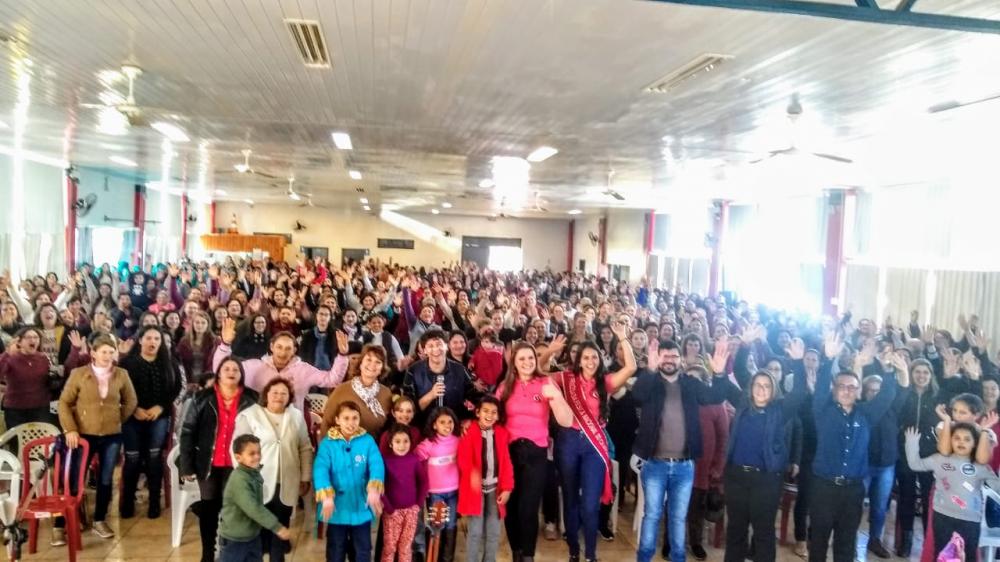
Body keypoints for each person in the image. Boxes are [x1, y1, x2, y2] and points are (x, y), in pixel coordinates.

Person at [633, 340, 731, 562]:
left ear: (681, 359)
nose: (669, 360)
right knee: (652, 515)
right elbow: (637, 396)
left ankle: (678, 558)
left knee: (678, 518)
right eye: (665, 356)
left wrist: (719, 374)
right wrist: (649, 370)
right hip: (654, 464)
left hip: (684, 466)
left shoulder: (690, 384)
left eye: (674, 356)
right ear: (659, 358)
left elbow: (715, 397)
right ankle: (643, 558)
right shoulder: (651, 382)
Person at [714, 340, 810, 562]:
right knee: (736, 531)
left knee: (764, 533)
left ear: (773, 390)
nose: (761, 389)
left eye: (767, 386)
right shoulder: (742, 403)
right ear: (751, 387)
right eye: (758, 384)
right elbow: (735, 373)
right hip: (736, 477)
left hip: (766, 481)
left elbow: (799, 391)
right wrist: (743, 348)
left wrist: (798, 362)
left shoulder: (780, 410)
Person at [808, 335, 899, 562]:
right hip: (823, 487)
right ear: (835, 390)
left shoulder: (866, 414)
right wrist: (829, 359)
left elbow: (887, 395)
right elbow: (820, 388)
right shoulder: (823, 411)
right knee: (818, 542)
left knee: (846, 545)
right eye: (842, 386)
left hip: (853, 491)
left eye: (852, 387)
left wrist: (887, 370)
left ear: (858, 391)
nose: (847, 391)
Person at [554, 320, 636, 562]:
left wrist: (623, 337)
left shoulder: (606, 382)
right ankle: (573, 552)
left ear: (599, 360)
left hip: (594, 447)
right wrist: (549, 352)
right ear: (578, 361)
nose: (590, 361)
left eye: (594, 357)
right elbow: (540, 375)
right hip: (568, 443)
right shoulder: (566, 379)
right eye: (586, 358)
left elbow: (631, 367)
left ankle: (590, 554)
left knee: (590, 504)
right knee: (570, 500)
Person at [496, 342, 573, 562]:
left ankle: (528, 556)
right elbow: (492, 416)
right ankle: (517, 553)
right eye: (521, 358)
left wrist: (556, 397)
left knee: (528, 509)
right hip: (509, 453)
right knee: (511, 507)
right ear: (514, 362)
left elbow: (566, 421)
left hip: (536, 453)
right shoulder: (505, 386)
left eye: (530, 357)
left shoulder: (545, 383)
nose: (527, 362)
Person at [57, 334, 138, 543]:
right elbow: (64, 403)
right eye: (103, 352)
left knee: (105, 478)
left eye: (111, 352)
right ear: (93, 353)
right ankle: (65, 521)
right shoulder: (79, 374)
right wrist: (70, 429)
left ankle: (99, 519)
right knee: (76, 477)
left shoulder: (122, 374)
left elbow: (131, 401)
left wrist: (116, 419)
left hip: (111, 435)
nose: (108, 356)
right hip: (83, 435)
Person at [180, 357, 260, 562]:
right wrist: (186, 466)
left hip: (238, 465)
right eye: (227, 369)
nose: (231, 372)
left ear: (241, 374)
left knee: (232, 510)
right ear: (218, 373)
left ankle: (228, 553)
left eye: (235, 369)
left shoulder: (252, 398)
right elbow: (187, 431)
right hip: (208, 463)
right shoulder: (202, 397)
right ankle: (207, 553)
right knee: (208, 509)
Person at [234, 378, 314, 562]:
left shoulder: (295, 416)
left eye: (283, 393)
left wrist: (305, 477)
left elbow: (305, 447)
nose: (279, 396)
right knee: (259, 527)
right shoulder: (250, 415)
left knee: (280, 527)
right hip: (257, 482)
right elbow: (237, 449)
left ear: (289, 397)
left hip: (287, 482)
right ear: (266, 395)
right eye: (275, 392)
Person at [905, 423, 1000, 562]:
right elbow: (915, 464)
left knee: (969, 556)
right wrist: (911, 443)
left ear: (975, 443)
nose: (961, 442)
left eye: (967, 439)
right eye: (957, 438)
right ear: (950, 440)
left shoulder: (981, 467)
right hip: (942, 516)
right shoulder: (939, 459)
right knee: (941, 554)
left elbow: (997, 487)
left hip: (970, 521)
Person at [215, 318, 348, 415]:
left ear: (294, 350)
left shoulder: (304, 369)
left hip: (292, 427)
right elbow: (221, 372)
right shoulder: (254, 367)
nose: (283, 352)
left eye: (288, 348)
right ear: (272, 347)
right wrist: (225, 345)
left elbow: (332, 380)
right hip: (260, 427)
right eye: (279, 347)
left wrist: (342, 355)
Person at [118, 326, 182, 519]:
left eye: (156, 338)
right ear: (140, 340)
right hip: (132, 417)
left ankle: (154, 502)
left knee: (154, 457)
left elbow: (176, 388)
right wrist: (134, 409)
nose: (152, 342)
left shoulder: (169, 362)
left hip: (158, 416)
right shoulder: (127, 363)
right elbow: (120, 390)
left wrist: (160, 407)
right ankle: (127, 502)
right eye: (148, 338)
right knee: (132, 458)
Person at [315, 400, 385, 562]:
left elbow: (376, 464)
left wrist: (374, 489)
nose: (351, 422)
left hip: (361, 506)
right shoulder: (327, 444)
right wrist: (326, 496)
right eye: (346, 418)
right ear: (337, 420)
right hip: (336, 508)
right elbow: (320, 469)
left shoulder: (367, 441)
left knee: (362, 549)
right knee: (336, 549)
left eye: (355, 418)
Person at [218, 434, 293, 562]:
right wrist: (277, 527)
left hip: (252, 537)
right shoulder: (239, 480)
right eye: (251, 454)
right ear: (238, 457)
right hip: (234, 541)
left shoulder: (253, 474)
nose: (257, 456)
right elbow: (253, 508)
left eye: (258, 452)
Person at [458, 396, 514, 562]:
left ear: (498, 415)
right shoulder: (469, 432)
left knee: (494, 531)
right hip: (475, 491)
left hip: (495, 489)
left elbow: (506, 463)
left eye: (494, 412)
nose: (489, 415)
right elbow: (463, 460)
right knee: (475, 531)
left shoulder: (502, 434)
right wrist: (473, 475)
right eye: (486, 411)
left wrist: (507, 488)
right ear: (477, 413)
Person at [403, 329, 482, 426]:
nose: (436, 349)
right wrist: (431, 395)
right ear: (424, 350)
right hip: (423, 426)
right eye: (430, 346)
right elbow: (408, 407)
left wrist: (469, 418)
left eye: (439, 344)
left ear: (447, 346)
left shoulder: (460, 370)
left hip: (454, 426)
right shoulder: (413, 371)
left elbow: (475, 398)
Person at [416, 407, 462, 562]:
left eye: (450, 422)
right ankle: (433, 558)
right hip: (435, 492)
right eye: (442, 422)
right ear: (434, 425)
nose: (447, 425)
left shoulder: (458, 441)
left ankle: (447, 559)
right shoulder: (429, 443)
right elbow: (415, 460)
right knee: (436, 526)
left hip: (454, 491)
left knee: (451, 525)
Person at [322, 343, 394, 436]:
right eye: (369, 360)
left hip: (373, 444)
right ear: (360, 364)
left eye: (378, 362)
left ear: (382, 368)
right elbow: (326, 423)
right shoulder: (341, 390)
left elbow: (388, 429)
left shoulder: (386, 394)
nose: (372, 365)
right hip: (342, 444)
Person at [381, 424, 427, 562]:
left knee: (406, 547)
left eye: (405, 441)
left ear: (410, 442)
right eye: (397, 441)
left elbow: (423, 482)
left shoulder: (414, 460)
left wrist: (418, 505)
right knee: (389, 547)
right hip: (392, 513)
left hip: (411, 512)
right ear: (391, 443)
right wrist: (389, 509)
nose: (402, 445)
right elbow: (379, 487)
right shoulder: (385, 461)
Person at [0, 327, 58, 429]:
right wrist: (7, 353)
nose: (33, 340)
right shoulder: (10, 358)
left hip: (41, 408)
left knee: (43, 438)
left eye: (36, 337)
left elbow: (55, 377)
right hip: (16, 410)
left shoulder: (44, 358)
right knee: (17, 438)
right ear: (19, 342)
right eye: (28, 337)